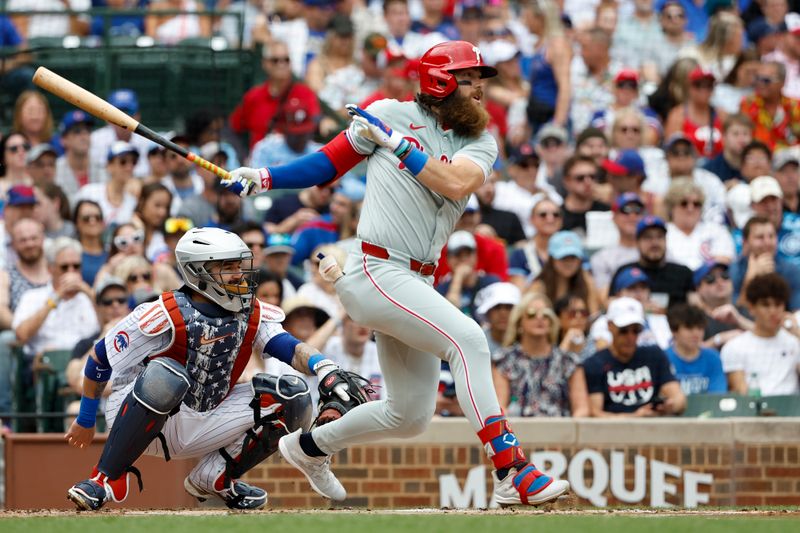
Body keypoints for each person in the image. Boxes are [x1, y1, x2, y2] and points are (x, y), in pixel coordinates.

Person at [222, 40, 570, 505]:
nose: (479, 89)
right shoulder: (387, 112)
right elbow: (327, 163)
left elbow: (456, 182)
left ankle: (308, 447)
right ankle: (512, 469)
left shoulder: (480, 140)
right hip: (376, 269)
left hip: (416, 279)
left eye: (480, 80)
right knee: (468, 341)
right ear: (441, 82)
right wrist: (264, 177)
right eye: (468, 79)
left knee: (409, 415)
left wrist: (400, 147)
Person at [63, 227, 351, 511]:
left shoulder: (252, 310)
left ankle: (216, 476)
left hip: (208, 416)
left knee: (294, 393)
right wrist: (87, 418)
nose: (239, 273)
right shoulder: (161, 312)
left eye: (239, 265)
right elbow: (100, 359)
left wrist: (323, 366)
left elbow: (289, 348)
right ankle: (106, 478)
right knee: (165, 374)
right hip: (142, 417)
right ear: (198, 271)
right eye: (227, 266)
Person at [583, 297, 687, 417]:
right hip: (612, 432)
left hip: (652, 429)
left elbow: (679, 399)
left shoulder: (654, 355)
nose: (630, 337)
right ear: (610, 326)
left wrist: (670, 406)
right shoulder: (595, 363)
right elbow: (595, 414)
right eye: (623, 331)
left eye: (636, 330)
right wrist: (635, 417)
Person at [492, 292, 589, 417]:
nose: (540, 318)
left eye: (545, 314)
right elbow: (500, 407)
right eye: (532, 314)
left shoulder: (569, 361)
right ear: (520, 321)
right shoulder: (504, 360)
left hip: (561, 432)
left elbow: (582, 409)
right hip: (516, 431)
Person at [229, 40, 321, 150]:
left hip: (294, 162)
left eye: (286, 60)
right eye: (275, 60)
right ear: (265, 63)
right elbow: (233, 128)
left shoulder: (305, 93)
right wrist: (241, 157)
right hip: (260, 163)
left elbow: (315, 123)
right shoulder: (254, 96)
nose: (282, 64)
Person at [721, 273, 800, 396]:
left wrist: (797, 334)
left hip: (792, 411)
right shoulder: (734, 347)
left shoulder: (795, 342)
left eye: (778, 304)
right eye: (765, 305)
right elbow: (741, 393)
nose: (773, 311)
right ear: (751, 308)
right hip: (753, 411)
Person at [609, 215, 695, 311]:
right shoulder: (624, 271)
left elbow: (695, 306)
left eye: (659, 237)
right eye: (647, 237)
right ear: (637, 242)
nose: (654, 243)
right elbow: (610, 303)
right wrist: (640, 308)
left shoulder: (683, 273)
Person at [729, 215, 800, 311]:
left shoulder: (791, 270)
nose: (767, 242)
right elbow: (735, 314)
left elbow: (796, 313)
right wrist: (750, 278)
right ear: (745, 242)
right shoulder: (734, 269)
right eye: (760, 237)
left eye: (771, 236)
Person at [664, 177, 734, 270]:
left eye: (696, 204)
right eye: (684, 203)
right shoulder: (663, 232)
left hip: (708, 281)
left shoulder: (716, 230)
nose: (690, 208)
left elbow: (724, 260)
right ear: (671, 207)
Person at [530, 230, 602, 315]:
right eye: (563, 257)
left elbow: (594, 316)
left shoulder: (587, 283)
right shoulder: (539, 286)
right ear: (552, 259)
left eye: (573, 257)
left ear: (580, 260)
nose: (569, 262)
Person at [437, 230, 501, 321]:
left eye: (468, 254)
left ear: (475, 256)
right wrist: (458, 277)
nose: (463, 259)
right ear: (448, 259)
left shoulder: (491, 283)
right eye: (457, 255)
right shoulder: (441, 289)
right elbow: (448, 317)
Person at [665, 303, 728, 395]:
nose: (695, 334)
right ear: (674, 331)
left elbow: (717, 395)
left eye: (699, 328)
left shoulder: (713, 358)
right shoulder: (663, 358)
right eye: (689, 328)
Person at [590, 192, 645, 295]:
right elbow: (604, 296)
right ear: (614, 217)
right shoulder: (602, 258)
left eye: (637, 211)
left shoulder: (657, 252)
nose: (632, 216)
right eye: (625, 211)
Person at [693, 261, 752, 349]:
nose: (719, 281)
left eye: (725, 276)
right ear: (698, 289)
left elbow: (767, 336)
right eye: (710, 279)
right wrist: (719, 339)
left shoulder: (747, 310)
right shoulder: (694, 319)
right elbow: (689, 353)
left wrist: (739, 320)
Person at [560, 155, 608, 237]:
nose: (588, 182)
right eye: (580, 178)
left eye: (592, 177)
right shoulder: (556, 216)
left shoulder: (606, 213)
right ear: (566, 181)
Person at [701, 113, 754, 184]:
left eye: (745, 134)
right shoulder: (710, 170)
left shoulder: (757, 167)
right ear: (724, 137)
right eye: (736, 134)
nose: (741, 139)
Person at [475, 282, 521, 359]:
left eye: (509, 307)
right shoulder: (475, 343)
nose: (503, 313)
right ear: (487, 312)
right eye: (497, 307)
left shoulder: (528, 340)